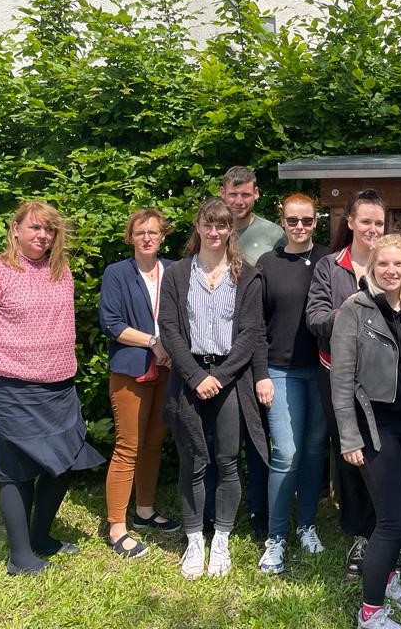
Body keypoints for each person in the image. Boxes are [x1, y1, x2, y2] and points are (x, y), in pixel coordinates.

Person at [0, 201, 104, 575]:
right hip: (10, 387)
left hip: (58, 386)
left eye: (49, 229)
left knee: (66, 462)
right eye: (35, 228)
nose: (43, 235)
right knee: (15, 467)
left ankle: (41, 537)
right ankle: (20, 557)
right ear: (15, 229)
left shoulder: (60, 271)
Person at [158, 197, 274, 580]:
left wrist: (220, 377)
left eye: (221, 226)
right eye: (208, 225)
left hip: (229, 380)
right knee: (193, 461)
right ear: (198, 227)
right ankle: (194, 540)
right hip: (189, 377)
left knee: (227, 461)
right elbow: (170, 330)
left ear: (230, 231)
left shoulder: (248, 275)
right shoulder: (177, 274)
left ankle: (221, 539)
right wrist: (195, 376)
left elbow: (251, 334)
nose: (214, 232)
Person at [332, 235, 401, 629]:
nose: (391, 272)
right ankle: (370, 612)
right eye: (383, 265)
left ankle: (388, 575)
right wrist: (349, 436)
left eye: (399, 265)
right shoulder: (354, 310)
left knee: (397, 505)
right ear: (371, 269)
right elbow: (341, 380)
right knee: (392, 519)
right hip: (375, 425)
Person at [306, 188, 385, 578]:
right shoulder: (329, 266)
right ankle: (360, 535)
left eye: (379, 223)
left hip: (382, 379)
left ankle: (387, 530)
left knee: (383, 452)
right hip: (335, 373)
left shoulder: (391, 264)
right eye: (366, 221)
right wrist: (348, 316)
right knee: (349, 453)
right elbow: (314, 316)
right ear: (350, 221)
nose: (372, 228)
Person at [99, 208, 181, 558]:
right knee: (128, 446)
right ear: (130, 237)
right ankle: (117, 526)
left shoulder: (176, 270)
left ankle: (144, 511)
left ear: (163, 236)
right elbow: (112, 323)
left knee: (153, 444)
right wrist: (153, 342)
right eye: (139, 232)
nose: (147, 237)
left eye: (153, 232)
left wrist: (173, 350)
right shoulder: (117, 273)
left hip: (168, 370)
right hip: (131, 369)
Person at [256, 193, 331, 575]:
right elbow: (253, 324)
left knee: (316, 449)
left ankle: (307, 525)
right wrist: (261, 374)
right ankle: (276, 537)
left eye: (306, 220)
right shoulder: (267, 263)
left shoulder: (329, 260)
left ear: (316, 221)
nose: (299, 226)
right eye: (292, 220)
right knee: (286, 453)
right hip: (280, 370)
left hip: (321, 369)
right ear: (281, 221)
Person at [218, 166, 285, 539]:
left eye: (245, 194)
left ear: (256, 194)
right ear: (223, 193)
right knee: (220, 441)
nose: (239, 201)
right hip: (216, 350)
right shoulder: (214, 229)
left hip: (259, 346)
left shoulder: (273, 234)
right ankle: (217, 512)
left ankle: (259, 513)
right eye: (233, 194)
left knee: (259, 438)